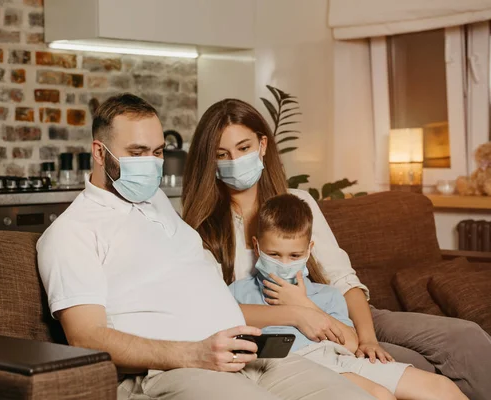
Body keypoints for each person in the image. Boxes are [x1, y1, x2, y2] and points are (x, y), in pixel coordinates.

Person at [36, 93, 373, 400]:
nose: (150, 164)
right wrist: (192, 353)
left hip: (247, 357)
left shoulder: (158, 205)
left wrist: (296, 315)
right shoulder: (72, 232)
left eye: (157, 153)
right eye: (137, 153)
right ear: (99, 152)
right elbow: (85, 337)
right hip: (176, 370)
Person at [181, 98, 491, 400]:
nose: (235, 161)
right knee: (407, 367)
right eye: (222, 154)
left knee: (465, 337)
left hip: (340, 309)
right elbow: (216, 308)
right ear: (212, 162)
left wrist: (366, 338)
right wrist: (296, 312)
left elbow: (343, 280)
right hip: (299, 330)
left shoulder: (298, 202)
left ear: (262, 146)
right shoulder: (204, 227)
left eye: (243, 148)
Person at [230, 193, 467, 400]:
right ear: (257, 246)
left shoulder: (327, 294)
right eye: (273, 254)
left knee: (442, 388)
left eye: (294, 255)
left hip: (340, 359)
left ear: (309, 250)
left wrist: (304, 304)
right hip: (294, 364)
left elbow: (351, 344)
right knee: (379, 395)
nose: (283, 264)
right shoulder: (239, 292)